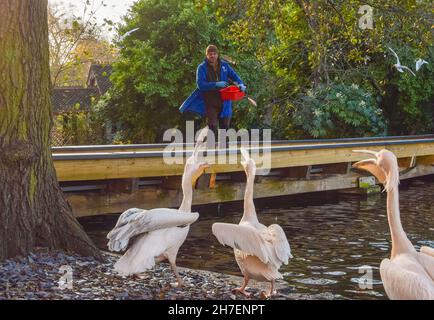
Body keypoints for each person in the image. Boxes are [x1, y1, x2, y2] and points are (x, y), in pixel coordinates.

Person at [179, 45, 246, 144]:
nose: (212, 56)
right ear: (206, 55)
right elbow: (200, 85)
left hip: (225, 101)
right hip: (210, 102)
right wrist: (215, 84)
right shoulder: (201, 68)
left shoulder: (225, 66)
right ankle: (211, 150)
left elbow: (235, 76)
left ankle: (224, 152)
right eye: (210, 54)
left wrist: (241, 84)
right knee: (212, 126)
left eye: (214, 54)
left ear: (217, 55)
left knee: (225, 128)